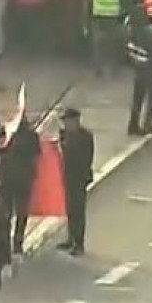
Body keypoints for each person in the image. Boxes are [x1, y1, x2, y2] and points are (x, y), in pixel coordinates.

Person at [0, 116, 41, 254]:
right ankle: (14, 243)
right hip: (14, 179)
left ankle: (13, 242)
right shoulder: (7, 131)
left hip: (15, 180)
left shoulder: (28, 136)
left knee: (13, 214)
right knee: (15, 214)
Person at [57, 108, 94, 256]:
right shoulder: (65, 136)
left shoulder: (85, 137)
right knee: (70, 209)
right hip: (68, 176)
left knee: (78, 210)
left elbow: (84, 158)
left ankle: (79, 242)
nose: (66, 125)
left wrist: (67, 145)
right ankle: (71, 238)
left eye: (68, 121)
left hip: (79, 177)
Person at [125, 15, 152, 135]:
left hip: (139, 67)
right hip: (151, 67)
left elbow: (130, 52)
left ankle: (133, 124)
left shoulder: (134, 35)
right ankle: (148, 124)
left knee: (138, 97)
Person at [89, 0, 123, 77]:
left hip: (100, 16)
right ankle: (112, 69)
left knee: (99, 44)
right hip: (110, 16)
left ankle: (99, 69)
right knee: (111, 43)